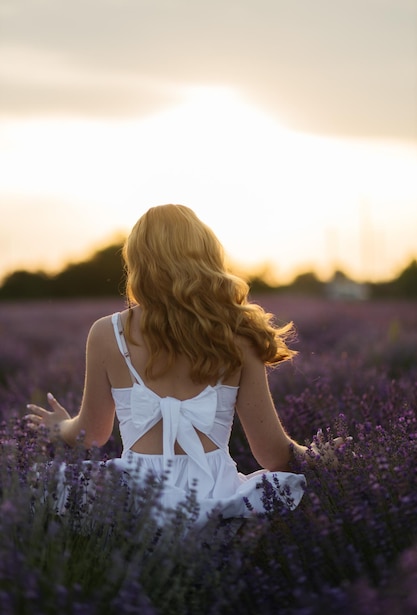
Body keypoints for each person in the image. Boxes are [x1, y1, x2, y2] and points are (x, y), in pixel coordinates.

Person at [25, 204, 342, 525]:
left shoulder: (108, 333)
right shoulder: (240, 336)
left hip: (134, 499)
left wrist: (60, 427)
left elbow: (92, 433)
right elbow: (273, 454)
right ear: (206, 255)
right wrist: (317, 458)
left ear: (137, 261)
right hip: (216, 497)